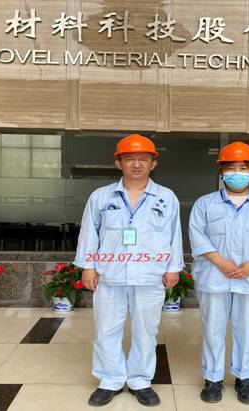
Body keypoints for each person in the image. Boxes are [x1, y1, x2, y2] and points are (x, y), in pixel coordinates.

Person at [74, 134, 184, 407]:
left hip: (150, 275)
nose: (137, 164)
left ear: (153, 163)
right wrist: (88, 266)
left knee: (146, 331)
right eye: (130, 159)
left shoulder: (166, 197)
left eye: (143, 159)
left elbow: (174, 235)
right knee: (106, 329)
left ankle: (140, 380)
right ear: (118, 162)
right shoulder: (101, 197)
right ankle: (109, 380)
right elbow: (89, 233)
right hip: (110, 275)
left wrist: (173, 268)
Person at [189, 141, 249, 405]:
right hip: (213, 276)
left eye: (243, 168)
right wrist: (220, 262)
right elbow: (197, 236)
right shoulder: (205, 204)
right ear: (221, 171)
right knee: (213, 329)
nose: (237, 173)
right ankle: (213, 379)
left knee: (246, 329)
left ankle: (245, 378)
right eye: (231, 168)